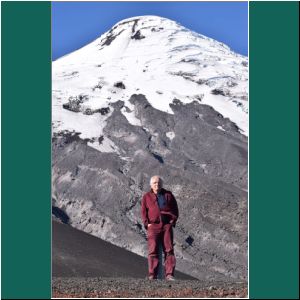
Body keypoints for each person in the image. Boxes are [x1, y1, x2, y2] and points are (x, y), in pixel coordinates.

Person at [141, 175, 179, 281]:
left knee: (169, 250)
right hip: (153, 226)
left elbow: (175, 209)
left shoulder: (168, 195)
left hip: (166, 225)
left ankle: (169, 274)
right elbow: (143, 212)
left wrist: (172, 222)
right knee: (152, 250)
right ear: (151, 185)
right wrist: (147, 224)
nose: (157, 184)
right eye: (155, 183)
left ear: (162, 184)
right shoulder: (146, 197)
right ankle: (152, 275)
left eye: (159, 183)